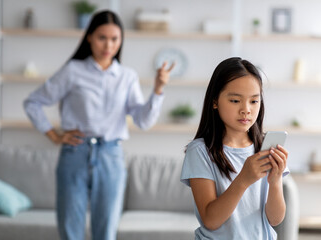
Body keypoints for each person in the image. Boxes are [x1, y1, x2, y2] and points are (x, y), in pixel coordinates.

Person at [24, 10, 174, 240]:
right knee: (69, 227)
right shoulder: (73, 71)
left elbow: (143, 121)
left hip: (110, 155)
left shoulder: (127, 76)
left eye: (115, 39)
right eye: (102, 37)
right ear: (89, 37)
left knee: (105, 231)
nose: (109, 45)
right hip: (74, 152)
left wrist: (158, 89)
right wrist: (54, 135)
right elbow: (33, 102)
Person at [180, 57, 289, 239]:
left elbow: (275, 219)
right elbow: (210, 220)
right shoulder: (199, 151)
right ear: (215, 101)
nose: (246, 109)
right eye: (235, 101)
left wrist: (276, 180)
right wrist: (243, 180)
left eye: (254, 101)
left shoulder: (265, 148)